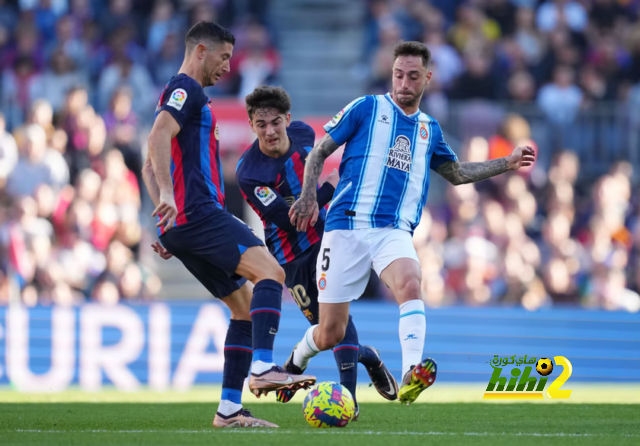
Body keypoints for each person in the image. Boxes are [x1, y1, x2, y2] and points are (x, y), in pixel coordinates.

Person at [287, 41, 536, 404]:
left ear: (427, 78)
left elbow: (455, 172)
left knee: (410, 282)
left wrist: (505, 163)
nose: (404, 82)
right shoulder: (367, 107)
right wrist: (309, 196)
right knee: (329, 333)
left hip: (392, 230)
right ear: (392, 74)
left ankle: (410, 374)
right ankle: (294, 363)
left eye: (413, 76)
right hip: (345, 226)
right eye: (399, 75)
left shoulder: (429, 129)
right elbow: (320, 151)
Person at [142, 21, 315, 429]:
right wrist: (170, 199)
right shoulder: (188, 89)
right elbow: (156, 138)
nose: (226, 67)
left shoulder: (177, 94)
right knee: (271, 271)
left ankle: (228, 410)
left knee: (241, 310)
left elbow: (151, 163)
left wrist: (166, 215)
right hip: (201, 213)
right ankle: (263, 368)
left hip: (184, 222)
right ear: (201, 50)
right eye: (223, 57)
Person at [235, 86, 399, 419]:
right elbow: (290, 219)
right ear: (252, 125)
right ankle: (365, 357)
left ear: (288, 120)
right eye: (261, 124)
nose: (269, 131)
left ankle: (347, 401)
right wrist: (330, 186)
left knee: (339, 322)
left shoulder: (305, 134)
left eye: (275, 122)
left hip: (329, 238)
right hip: (291, 256)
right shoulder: (249, 172)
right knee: (326, 331)